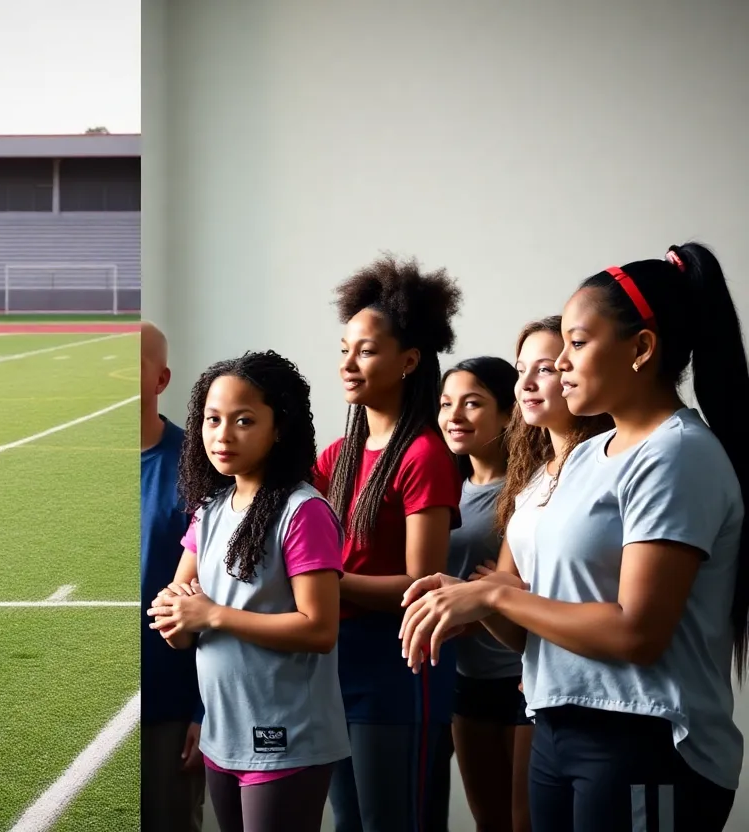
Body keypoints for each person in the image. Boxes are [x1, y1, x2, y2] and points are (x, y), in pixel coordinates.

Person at [400, 244, 749, 831]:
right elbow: (529, 630)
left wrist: (494, 596)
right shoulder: (582, 458)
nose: (559, 364)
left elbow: (637, 633)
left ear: (641, 348)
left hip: (644, 738)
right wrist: (466, 600)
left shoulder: (676, 455)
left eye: (577, 344)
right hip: (556, 727)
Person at [147, 350, 350, 832]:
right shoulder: (210, 509)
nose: (223, 434)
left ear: (279, 428)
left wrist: (211, 615)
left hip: (286, 737)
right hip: (224, 732)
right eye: (212, 419)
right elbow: (179, 612)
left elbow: (319, 628)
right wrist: (177, 621)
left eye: (243, 420)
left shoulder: (304, 512)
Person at [314, 254, 464, 832]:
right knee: (350, 822)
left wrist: (327, 585)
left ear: (408, 361)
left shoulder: (425, 454)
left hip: (397, 668)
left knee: (390, 822)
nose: (349, 363)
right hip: (333, 664)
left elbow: (421, 586)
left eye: (367, 351)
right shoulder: (337, 454)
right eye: (345, 348)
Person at [436, 356, 526, 832]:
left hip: (518, 674)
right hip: (462, 677)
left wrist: (490, 593)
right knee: (488, 820)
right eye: (447, 403)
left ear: (509, 412)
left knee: (523, 820)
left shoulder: (528, 491)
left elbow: (528, 585)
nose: (455, 415)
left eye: (473, 403)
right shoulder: (444, 488)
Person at [140, 322, 206, 832]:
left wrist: (203, 711)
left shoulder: (197, 467)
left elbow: (218, 597)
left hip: (167, 700)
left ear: (161, 379)